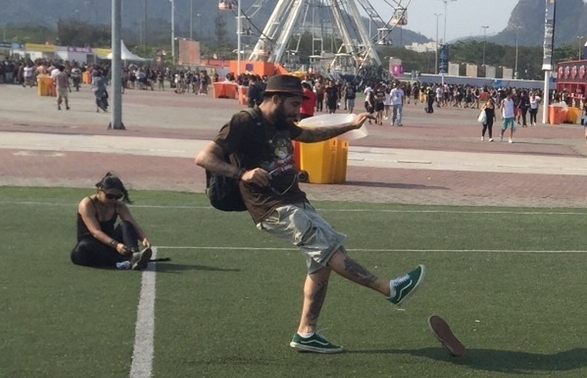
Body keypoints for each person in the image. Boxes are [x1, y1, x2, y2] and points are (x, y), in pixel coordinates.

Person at [193, 74, 463, 357]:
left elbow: (309, 135)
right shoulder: (245, 122)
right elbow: (204, 157)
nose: (298, 111)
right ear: (275, 98)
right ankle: (390, 289)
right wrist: (242, 173)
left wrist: (348, 125)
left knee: (321, 262)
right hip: (272, 206)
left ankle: (306, 333)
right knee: (330, 251)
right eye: (294, 103)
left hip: (295, 201)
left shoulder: (282, 124)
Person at [71, 173, 152, 270]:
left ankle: (134, 254)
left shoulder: (118, 206)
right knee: (82, 248)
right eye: (109, 196)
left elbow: (131, 223)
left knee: (125, 224)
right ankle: (126, 260)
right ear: (99, 191)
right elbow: (95, 232)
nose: (113, 200)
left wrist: (143, 238)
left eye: (117, 197)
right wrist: (116, 245)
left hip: (110, 245)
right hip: (92, 246)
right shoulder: (87, 204)